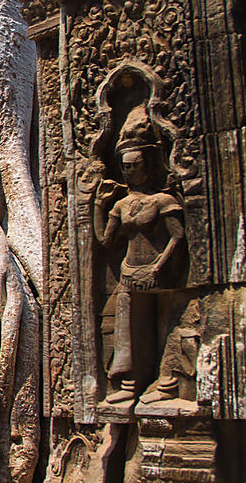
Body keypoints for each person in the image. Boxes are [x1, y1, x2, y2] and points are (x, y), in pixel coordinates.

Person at [93, 105, 185, 404]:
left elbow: (178, 236)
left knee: (166, 324)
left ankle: (166, 383)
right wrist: (97, 205)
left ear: (150, 165)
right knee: (126, 329)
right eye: (126, 166)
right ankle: (128, 384)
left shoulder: (163, 200)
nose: (130, 171)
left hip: (158, 271)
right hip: (130, 270)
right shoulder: (122, 205)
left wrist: (159, 266)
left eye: (136, 165)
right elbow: (105, 242)